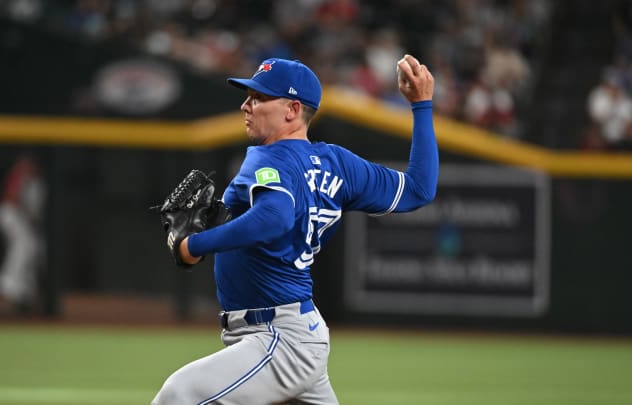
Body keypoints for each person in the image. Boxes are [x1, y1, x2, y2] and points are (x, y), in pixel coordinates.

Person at [151, 55, 438, 404]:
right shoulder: (339, 164)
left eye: (258, 98)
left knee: (179, 395)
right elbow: (418, 189)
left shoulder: (267, 157)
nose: (246, 105)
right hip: (295, 333)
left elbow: (275, 218)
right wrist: (421, 106)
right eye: (248, 96)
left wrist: (193, 245)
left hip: (278, 338)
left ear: (292, 110)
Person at [0, 154, 46, 310]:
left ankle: (24, 290)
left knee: (33, 248)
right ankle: (6, 285)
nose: (26, 166)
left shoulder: (36, 182)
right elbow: (13, 198)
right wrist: (28, 215)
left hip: (21, 217)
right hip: (10, 213)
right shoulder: (18, 175)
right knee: (24, 246)